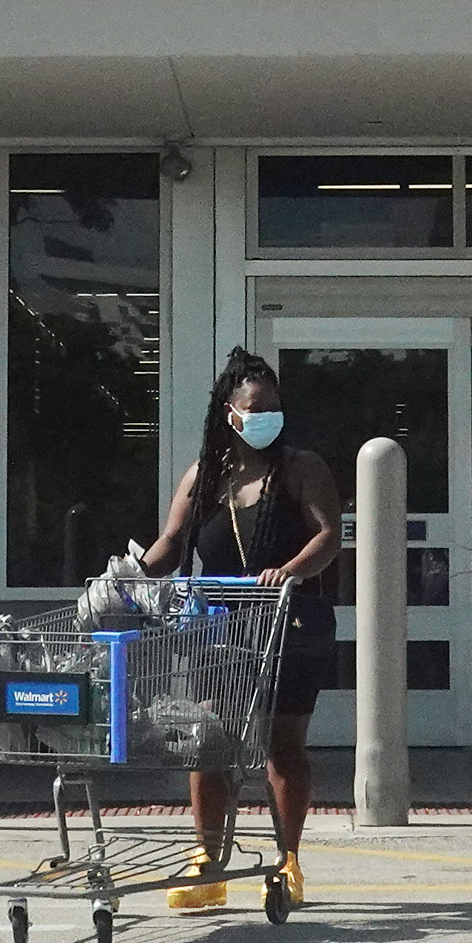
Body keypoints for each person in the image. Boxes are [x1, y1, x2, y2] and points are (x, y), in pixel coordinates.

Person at [138, 348, 339, 911]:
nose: (266, 419)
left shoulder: (302, 468)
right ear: (230, 414)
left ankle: (288, 860)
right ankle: (208, 864)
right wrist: (136, 572)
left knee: (282, 747)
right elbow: (173, 541)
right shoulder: (207, 474)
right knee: (208, 742)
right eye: (255, 409)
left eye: (274, 408)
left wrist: (288, 572)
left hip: (289, 623)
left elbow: (327, 537)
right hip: (220, 628)